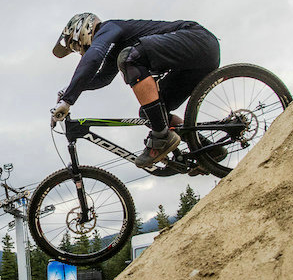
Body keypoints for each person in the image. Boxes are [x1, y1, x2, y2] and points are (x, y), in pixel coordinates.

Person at [50, 13, 220, 167]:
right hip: (196, 63)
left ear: (83, 28)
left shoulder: (110, 27)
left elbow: (93, 59)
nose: (80, 51)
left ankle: (162, 137)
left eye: (76, 46)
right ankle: (207, 148)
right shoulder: (117, 45)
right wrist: (68, 90)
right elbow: (103, 78)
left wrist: (68, 100)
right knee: (151, 114)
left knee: (129, 59)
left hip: (198, 39)